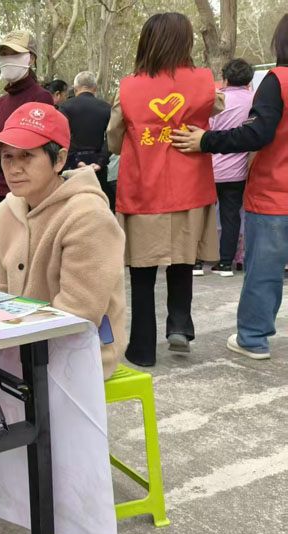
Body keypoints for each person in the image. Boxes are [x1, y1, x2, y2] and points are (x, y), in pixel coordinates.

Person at [107, 12, 225, 367]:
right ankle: (179, 325)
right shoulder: (204, 82)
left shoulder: (129, 87)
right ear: (185, 43)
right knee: (182, 261)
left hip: (143, 192)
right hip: (190, 191)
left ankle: (143, 350)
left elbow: (114, 140)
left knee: (142, 272)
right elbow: (216, 107)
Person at [172, 14, 288, 360]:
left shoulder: (277, 81)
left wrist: (206, 140)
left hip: (275, 197)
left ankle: (253, 338)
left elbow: (257, 133)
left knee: (264, 273)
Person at [0, 102, 126, 379]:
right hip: (21, 343)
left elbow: (78, 314)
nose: (14, 168)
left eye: (27, 156)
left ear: (59, 160)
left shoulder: (88, 215)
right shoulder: (5, 211)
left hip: (81, 351)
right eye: (7, 156)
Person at [0, 30, 53, 277]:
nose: (7, 58)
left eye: (14, 53)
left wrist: (8, 150)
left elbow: (42, 149)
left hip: (30, 199)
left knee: (30, 269)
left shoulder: (42, 98)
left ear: (31, 59)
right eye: (3, 53)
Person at [198, 58, 254, 277]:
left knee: (203, 215)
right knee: (232, 216)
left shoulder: (216, 99)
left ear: (225, 77)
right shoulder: (254, 100)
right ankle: (224, 263)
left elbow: (205, 130)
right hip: (237, 173)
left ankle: (196, 261)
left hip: (209, 169)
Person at [60, 71, 111, 175]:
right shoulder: (107, 108)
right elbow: (111, 138)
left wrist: (75, 160)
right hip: (97, 165)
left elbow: (62, 135)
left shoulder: (65, 107)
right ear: (95, 88)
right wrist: (100, 162)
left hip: (71, 165)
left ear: (75, 89)